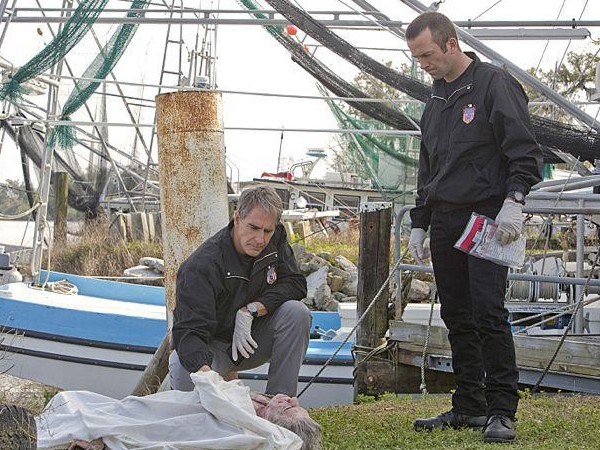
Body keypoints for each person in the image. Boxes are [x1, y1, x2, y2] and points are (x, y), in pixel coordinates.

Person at [405, 12, 543, 444]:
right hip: (445, 217)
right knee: (457, 315)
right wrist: (420, 223)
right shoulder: (435, 99)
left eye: (427, 54)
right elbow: (428, 166)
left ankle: (502, 409)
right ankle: (469, 404)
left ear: (451, 44)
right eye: (416, 57)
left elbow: (524, 150)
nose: (422, 64)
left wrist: (514, 201)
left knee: (488, 312)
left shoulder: (493, 84)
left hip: (487, 216)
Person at [169, 185, 310, 397]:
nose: (260, 240)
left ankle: (281, 401)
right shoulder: (201, 266)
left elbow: (295, 284)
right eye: (253, 228)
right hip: (214, 350)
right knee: (182, 367)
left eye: (267, 231)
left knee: (297, 313)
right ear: (236, 219)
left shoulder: (276, 239)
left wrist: (252, 310)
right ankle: (198, 405)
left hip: (251, 341)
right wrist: (210, 379)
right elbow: (190, 332)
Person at [37, 370, 322, 450]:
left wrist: (212, 378)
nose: (291, 401)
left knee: (127, 420)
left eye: (288, 410)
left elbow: (211, 391)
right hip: (170, 409)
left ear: (275, 424)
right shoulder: (254, 406)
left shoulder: (252, 425)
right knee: (126, 409)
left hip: (180, 420)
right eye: (297, 405)